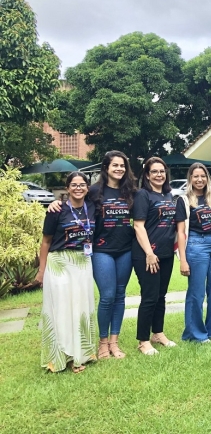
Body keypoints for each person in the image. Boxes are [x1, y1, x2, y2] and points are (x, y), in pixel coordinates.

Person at [46, 150, 137, 359]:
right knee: (107, 296)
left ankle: (115, 342)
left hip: (125, 249)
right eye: (115, 165)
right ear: (106, 168)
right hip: (101, 250)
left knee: (120, 295)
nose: (119, 169)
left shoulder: (130, 191)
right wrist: (56, 202)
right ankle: (103, 343)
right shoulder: (95, 191)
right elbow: (73, 202)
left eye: (122, 165)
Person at [36, 172, 96, 373]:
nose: (78, 188)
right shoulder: (56, 210)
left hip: (83, 263)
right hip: (60, 263)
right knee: (61, 311)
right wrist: (41, 270)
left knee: (81, 310)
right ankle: (61, 357)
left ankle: (81, 354)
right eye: (74, 185)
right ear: (67, 188)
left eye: (82, 185)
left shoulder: (92, 208)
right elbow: (45, 242)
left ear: (87, 188)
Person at [175, 162, 211, 342]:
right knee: (197, 292)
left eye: (203, 176)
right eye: (195, 176)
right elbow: (181, 232)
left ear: (207, 178)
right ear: (190, 179)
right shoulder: (183, 200)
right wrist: (183, 259)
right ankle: (195, 334)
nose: (199, 179)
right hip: (196, 245)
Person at [133, 157, 178, 355]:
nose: (159, 175)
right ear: (147, 175)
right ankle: (143, 341)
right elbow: (138, 225)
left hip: (166, 253)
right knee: (150, 297)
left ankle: (157, 333)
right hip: (147, 254)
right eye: (154, 172)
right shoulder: (143, 195)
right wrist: (149, 254)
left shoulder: (168, 195)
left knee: (161, 296)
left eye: (162, 171)